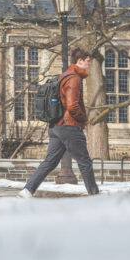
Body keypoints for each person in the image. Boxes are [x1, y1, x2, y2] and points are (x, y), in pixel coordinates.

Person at [20, 47, 101, 197]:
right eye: (88, 61)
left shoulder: (63, 76)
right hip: (69, 126)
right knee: (84, 162)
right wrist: (83, 118)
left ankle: (27, 190)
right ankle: (94, 194)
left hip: (56, 126)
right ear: (80, 61)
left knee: (50, 161)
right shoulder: (74, 78)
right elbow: (72, 105)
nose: (89, 64)